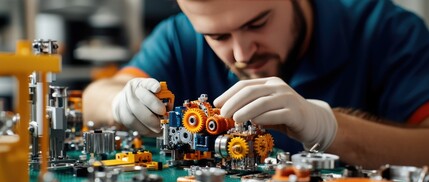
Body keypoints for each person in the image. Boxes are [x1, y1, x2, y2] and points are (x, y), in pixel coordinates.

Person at [83, 0, 429, 169]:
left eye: (258, 23)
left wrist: (330, 128)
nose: (242, 53)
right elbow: (95, 95)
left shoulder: (388, 32)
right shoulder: (179, 37)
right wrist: (120, 103)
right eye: (218, 36)